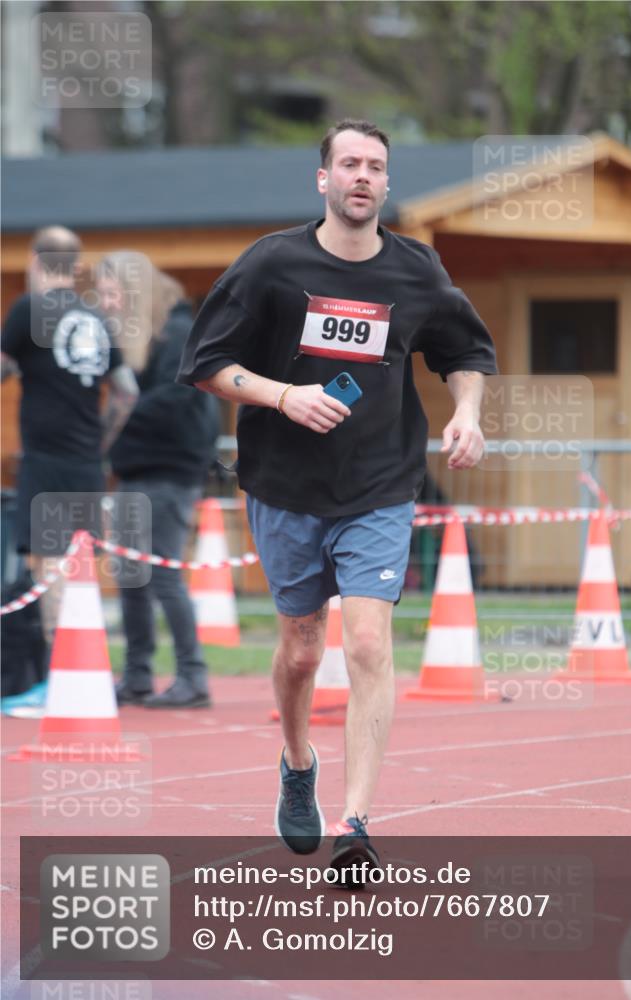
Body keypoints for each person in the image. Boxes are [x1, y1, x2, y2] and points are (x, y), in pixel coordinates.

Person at [177, 120, 498, 880]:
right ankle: (297, 762)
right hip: (286, 487)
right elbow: (205, 365)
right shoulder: (272, 264)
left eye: (375, 166)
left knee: (365, 645)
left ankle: (354, 824)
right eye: (347, 163)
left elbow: (466, 352)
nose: (361, 175)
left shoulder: (417, 271)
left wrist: (467, 412)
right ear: (321, 179)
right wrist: (284, 396)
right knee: (299, 650)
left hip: (379, 487)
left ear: (386, 184)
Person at [0, 226, 138, 713]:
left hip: (46, 464)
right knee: (77, 577)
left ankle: (61, 687)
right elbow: (126, 391)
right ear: (76, 264)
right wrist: (99, 443)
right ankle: (82, 680)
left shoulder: (28, 310)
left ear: (37, 262)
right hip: (84, 466)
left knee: (48, 576)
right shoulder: (95, 317)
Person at [97, 253, 220, 708]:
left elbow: (177, 397)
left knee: (164, 572)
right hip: (134, 469)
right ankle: (137, 675)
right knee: (130, 576)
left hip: (172, 469)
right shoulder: (137, 338)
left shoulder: (179, 333)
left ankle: (193, 677)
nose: (106, 302)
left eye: (112, 292)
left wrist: (123, 414)